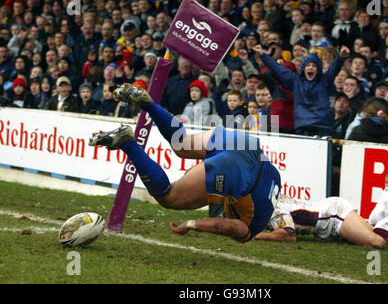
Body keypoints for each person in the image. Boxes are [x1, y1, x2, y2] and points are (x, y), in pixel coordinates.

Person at [89, 83, 281, 243]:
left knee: (181, 143)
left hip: (245, 143)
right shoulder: (248, 231)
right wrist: (191, 224)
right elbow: (230, 226)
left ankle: (149, 105)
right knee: (169, 197)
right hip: (235, 170)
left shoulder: (274, 185)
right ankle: (128, 143)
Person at [254, 172, 388, 248]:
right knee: (372, 228)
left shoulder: (271, 207)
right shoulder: (267, 199)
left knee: (377, 241)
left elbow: (288, 234)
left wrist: (257, 235)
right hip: (330, 214)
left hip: (334, 216)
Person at [254, 44, 350, 136]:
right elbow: (277, 68)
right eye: (308, 65)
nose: (311, 68)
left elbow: (334, 68)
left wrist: (341, 57)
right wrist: (262, 54)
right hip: (302, 129)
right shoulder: (296, 81)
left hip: (322, 129)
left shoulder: (325, 81)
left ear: (318, 69)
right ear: (304, 68)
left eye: (314, 66)